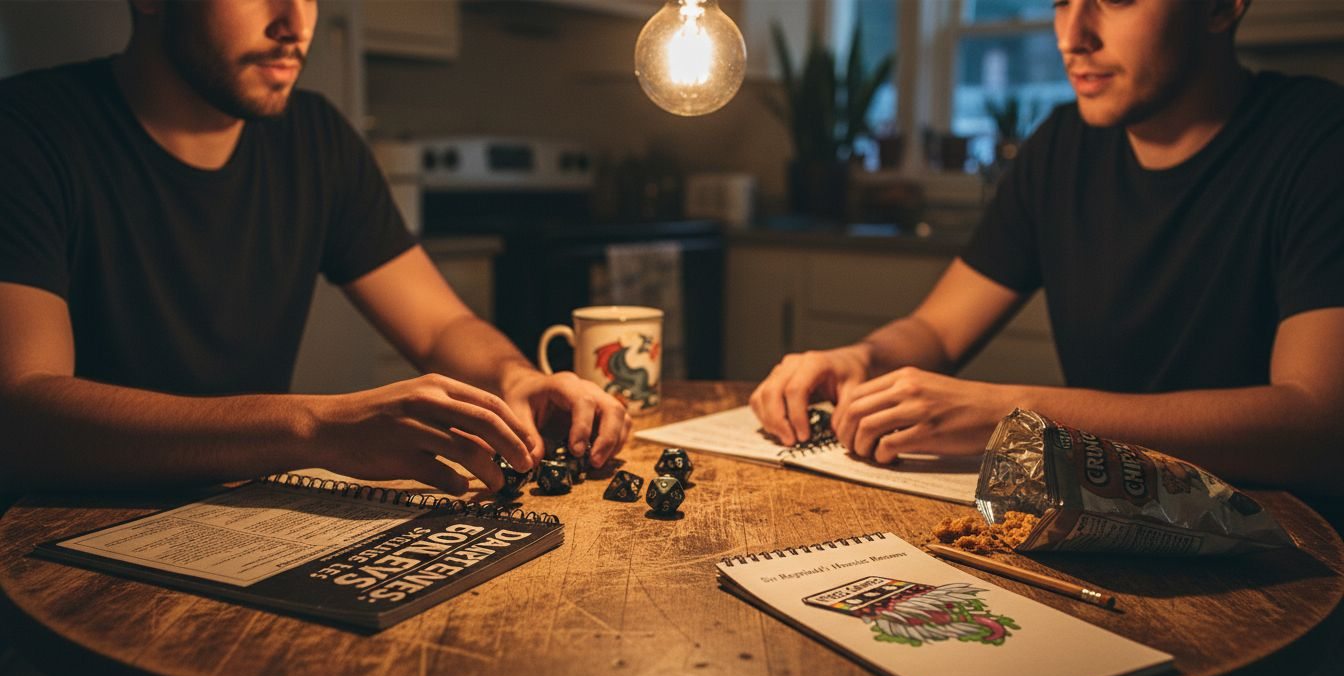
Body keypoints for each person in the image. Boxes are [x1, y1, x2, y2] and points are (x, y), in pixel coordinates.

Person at [0, 0, 632, 499]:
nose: (293, 22)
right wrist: (315, 427)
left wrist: (515, 378)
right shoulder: (28, 134)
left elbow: (442, 324)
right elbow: (21, 413)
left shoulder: (316, 139)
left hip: (244, 517)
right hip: (59, 554)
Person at [751, 0, 1344, 503]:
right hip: (1108, 523)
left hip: (1284, 556)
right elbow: (936, 330)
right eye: (1061, 0)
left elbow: (1317, 425)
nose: (1072, 36)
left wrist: (1020, 416)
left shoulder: (1319, 143)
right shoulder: (1062, 147)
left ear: (1220, 6)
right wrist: (860, 358)